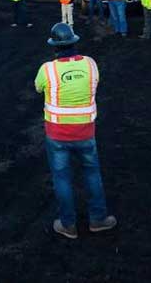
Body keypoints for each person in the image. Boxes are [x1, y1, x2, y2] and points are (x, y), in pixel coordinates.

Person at [35, 23, 116, 240]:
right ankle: (98, 219)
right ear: (74, 42)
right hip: (85, 131)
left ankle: (68, 224)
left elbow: (38, 87)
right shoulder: (90, 64)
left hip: (57, 133)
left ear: (54, 46)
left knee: (62, 178)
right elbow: (96, 83)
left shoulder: (48, 69)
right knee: (92, 173)